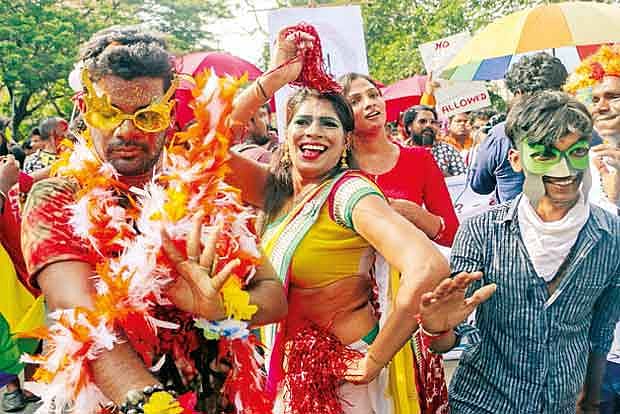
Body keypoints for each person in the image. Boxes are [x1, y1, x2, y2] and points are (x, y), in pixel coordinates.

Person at [20, 26, 287, 413]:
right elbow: (84, 317)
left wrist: (224, 308)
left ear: (169, 114)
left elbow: (273, 294)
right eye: (109, 113)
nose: (126, 131)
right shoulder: (57, 197)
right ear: (84, 110)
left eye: (146, 117)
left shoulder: (202, 189)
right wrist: (156, 405)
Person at [224, 28, 476, 413]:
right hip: (290, 371)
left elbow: (428, 265)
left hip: (346, 378)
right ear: (285, 133)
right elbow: (201, 148)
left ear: (346, 141)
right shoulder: (277, 190)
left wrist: (375, 359)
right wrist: (275, 79)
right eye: (302, 121)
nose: (313, 131)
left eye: (328, 124)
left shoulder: (348, 193)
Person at [419, 90, 620, 414]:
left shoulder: (611, 237)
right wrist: (437, 328)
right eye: (544, 155)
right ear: (516, 159)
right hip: (482, 402)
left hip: (562, 404)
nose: (564, 169)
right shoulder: (482, 231)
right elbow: (452, 333)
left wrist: (590, 402)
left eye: (576, 152)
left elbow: (601, 333)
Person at [338, 74, 460, 246]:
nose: (370, 103)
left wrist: (416, 215)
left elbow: (453, 235)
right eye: (355, 101)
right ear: (341, 116)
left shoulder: (419, 159)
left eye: (373, 95)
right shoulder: (334, 167)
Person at [565, 44, 620, 413]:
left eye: (613, 96)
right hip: (598, 348)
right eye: (595, 98)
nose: (602, 106)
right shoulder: (574, 170)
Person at [470, 52, 568, 203]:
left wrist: (483, 148)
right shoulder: (582, 129)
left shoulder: (500, 135)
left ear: (519, 93)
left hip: (516, 216)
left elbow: (480, 186)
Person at [403, 104, 466, 178]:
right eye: (422, 121)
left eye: (432, 122)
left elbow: (463, 180)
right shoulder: (400, 152)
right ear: (409, 126)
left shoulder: (448, 150)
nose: (429, 125)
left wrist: (442, 176)